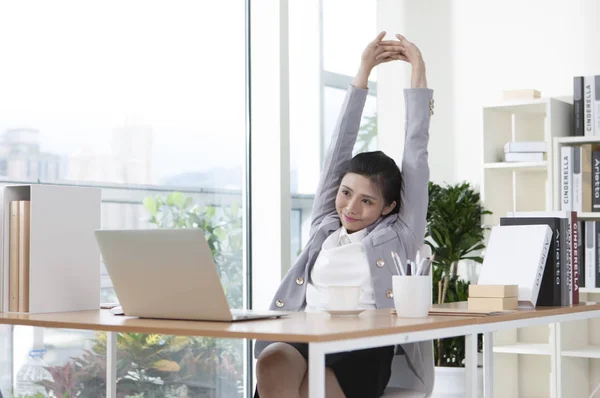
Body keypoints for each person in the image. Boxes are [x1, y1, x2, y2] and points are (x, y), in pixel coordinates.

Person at [254, 31, 434, 398]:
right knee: (270, 362)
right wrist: (363, 73)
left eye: (367, 201)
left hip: (362, 348)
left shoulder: (400, 235)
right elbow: (339, 147)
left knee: (311, 392)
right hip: (306, 334)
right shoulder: (325, 225)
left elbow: (416, 151)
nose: (351, 208)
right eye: (346, 193)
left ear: (389, 207)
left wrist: (418, 69)